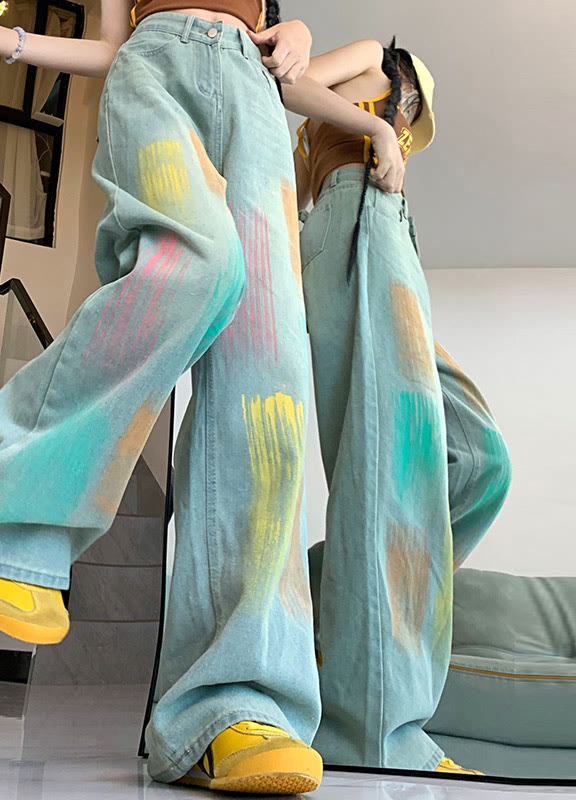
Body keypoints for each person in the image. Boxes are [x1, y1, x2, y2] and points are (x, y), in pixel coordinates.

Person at [0, 2, 408, 792]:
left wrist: (350, 98)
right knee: (195, 265)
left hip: (256, 100)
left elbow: (291, 79)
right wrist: (2, 40)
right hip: (156, 68)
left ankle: (237, 707)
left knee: (269, 384)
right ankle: (8, 516)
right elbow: (110, 46)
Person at [289, 39, 512, 775]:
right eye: (410, 113)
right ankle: (380, 736)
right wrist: (377, 131)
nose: (408, 125)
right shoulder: (374, 63)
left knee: (482, 463)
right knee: (385, 470)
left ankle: (341, 584)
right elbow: (288, 83)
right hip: (356, 227)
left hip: (386, 235)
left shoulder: (365, 139)